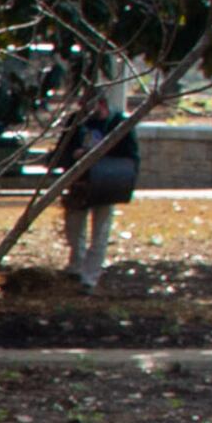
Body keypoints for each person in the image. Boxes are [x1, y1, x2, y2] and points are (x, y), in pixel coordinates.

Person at [54, 90, 141, 289]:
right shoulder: (76, 122)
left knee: (100, 233)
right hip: (79, 182)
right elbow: (62, 151)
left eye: (88, 106)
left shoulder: (120, 123)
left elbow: (131, 157)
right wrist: (73, 156)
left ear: (102, 104)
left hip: (106, 184)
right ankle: (76, 265)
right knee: (74, 229)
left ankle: (89, 278)